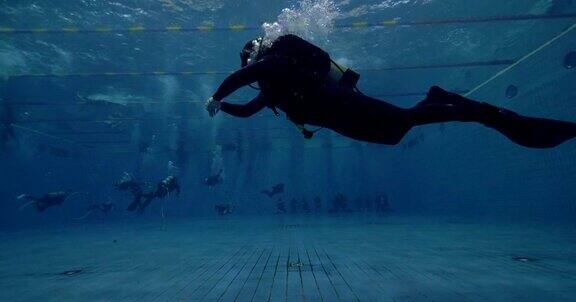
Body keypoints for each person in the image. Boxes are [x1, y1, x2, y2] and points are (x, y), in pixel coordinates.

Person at [205, 34, 576, 149]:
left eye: (248, 61)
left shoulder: (277, 65)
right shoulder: (272, 89)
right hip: (340, 118)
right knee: (394, 134)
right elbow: (249, 108)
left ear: (256, 54)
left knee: (401, 122)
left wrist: (217, 96)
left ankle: (481, 114)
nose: (249, 70)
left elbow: (244, 78)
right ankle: (436, 99)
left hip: (342, 105)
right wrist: (224, 109)